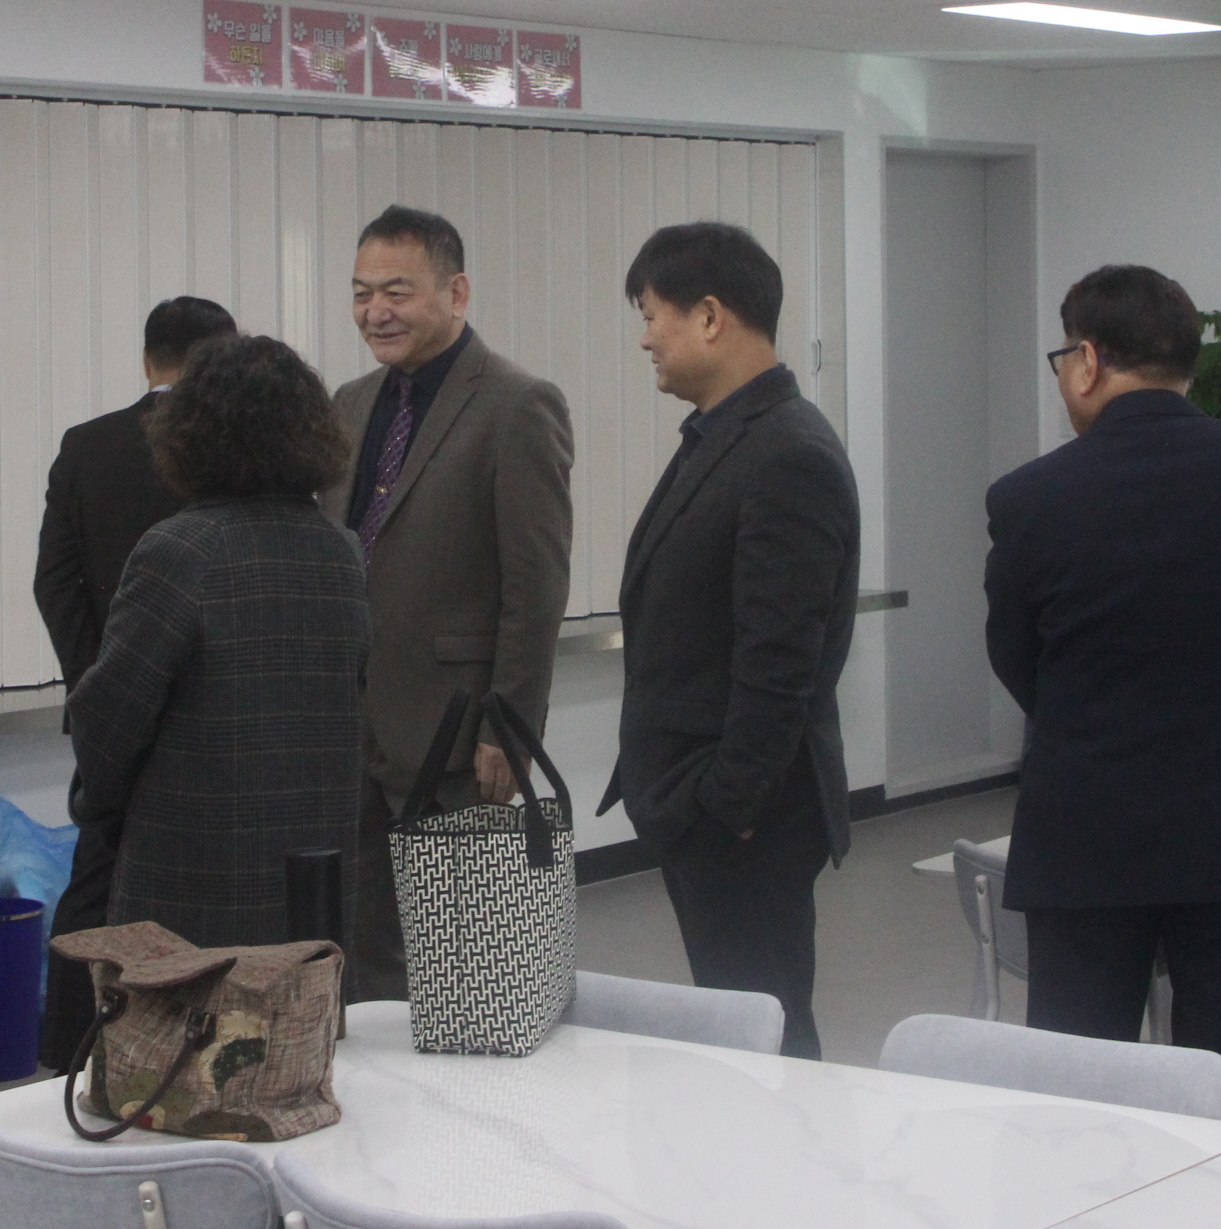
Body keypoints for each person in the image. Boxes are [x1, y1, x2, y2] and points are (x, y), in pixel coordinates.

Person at [986, 265, 1221, 1132]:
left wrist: (1091, 715)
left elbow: (1016, 657)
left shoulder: (1031, 496)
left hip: (1088, 827)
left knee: (1080, 1090)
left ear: (1087, 360)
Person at [603, 221, 857, 1061]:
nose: (645, 338)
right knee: (739, 1027)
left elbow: (781, 663)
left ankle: (792, 1152)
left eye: (653, 315)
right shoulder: (726, 435)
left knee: (767, 1036)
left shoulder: (786, 453)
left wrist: (725, 808)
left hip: (747, 821)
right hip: (708, 807)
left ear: (710, 317)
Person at [316, 205, 573, 1002]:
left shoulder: (516, 403)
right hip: (350, 731)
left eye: (396, 291)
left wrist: (509, 727)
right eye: (361, 293)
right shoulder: (349, 403)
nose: (375, 312)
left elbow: (535, 585)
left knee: (462, 969)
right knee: (362, 963)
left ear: (456, 293)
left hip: (458, 735)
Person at [67, 335, 369, 947]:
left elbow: (111, 716)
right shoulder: (341, 550)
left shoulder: (179, 550)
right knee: (304, 1008)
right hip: (316, 871)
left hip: (191, 869)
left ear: (190, 433)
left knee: (192, 1010)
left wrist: (97, 807)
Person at [33, 294, 236, 1071]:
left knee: (97, 876)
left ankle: (65, 1055)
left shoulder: (86, 446)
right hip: (211, 711)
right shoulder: (235, 450)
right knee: (209, 880)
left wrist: (100, 685)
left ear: (147, 359)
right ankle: (194, 1054)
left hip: (107, 713)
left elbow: (55, 583)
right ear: (225, 359)